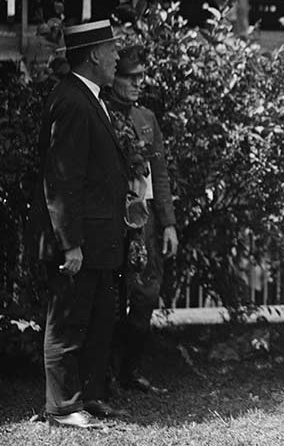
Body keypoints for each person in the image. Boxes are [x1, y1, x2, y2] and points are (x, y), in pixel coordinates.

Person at [30, 19, 126, 429]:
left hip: (100, 236)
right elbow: (62, 178)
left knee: (99, 315)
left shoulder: (89, 97)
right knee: (69, 319)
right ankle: (64, 407)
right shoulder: (71, 100)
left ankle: (88, 395)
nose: (118, 56)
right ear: (93, 55)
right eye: (112, 49)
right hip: (80, 239)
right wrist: (70, 243)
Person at [102, 45, 178, 394]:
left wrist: (170, 224)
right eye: (128, 77)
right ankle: (105, 373)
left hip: (145, 218)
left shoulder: (146, 118)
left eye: (140, 77)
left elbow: (159, 174)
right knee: (110, 294)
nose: (136, 83)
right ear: (113, 77)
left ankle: (131, 370)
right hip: (112, 215)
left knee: (146, 291)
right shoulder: (100, 113)